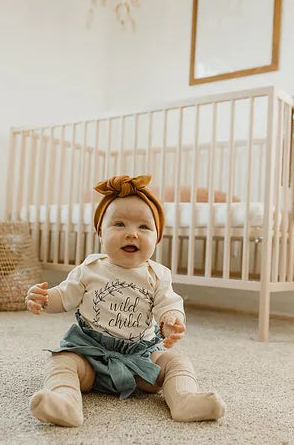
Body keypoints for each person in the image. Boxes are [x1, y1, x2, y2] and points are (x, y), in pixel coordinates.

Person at [26, 174, 226, 427]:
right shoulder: (90, 268)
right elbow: (63, 298)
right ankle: (65, 402)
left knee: (176, 362)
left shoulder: (158, 275)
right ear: (100, 233)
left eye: (144, 227)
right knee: (61, 361)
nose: (132, 234)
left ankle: (185, 400)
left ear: (157, 238)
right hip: (90, 356)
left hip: (140, 360)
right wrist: (44, 299)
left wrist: (171, 321)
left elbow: (169, 304)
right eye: (119, 224)